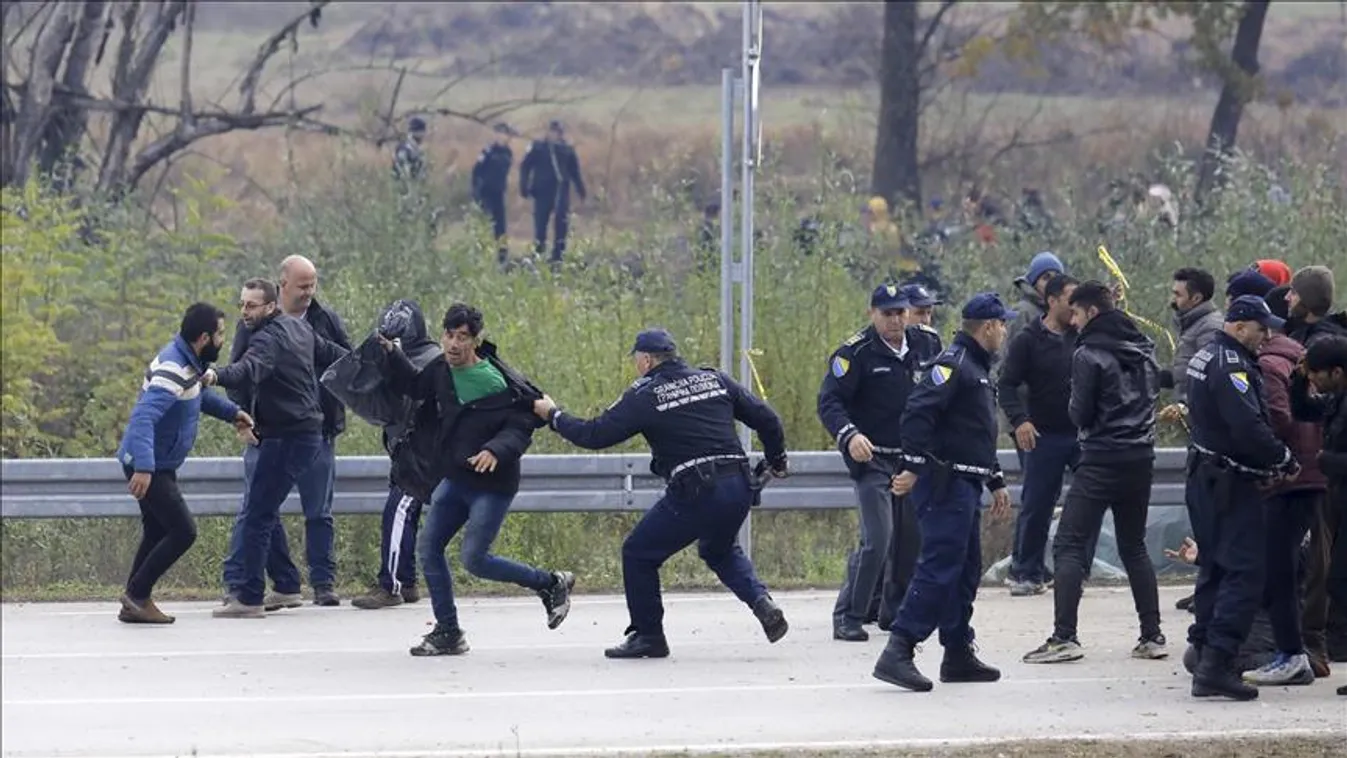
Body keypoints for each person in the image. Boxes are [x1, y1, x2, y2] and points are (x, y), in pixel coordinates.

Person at [532, 328, 790, 659]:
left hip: (697, 488)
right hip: (738, 484)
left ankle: (649, 636)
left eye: (637, 361)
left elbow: (593, 434)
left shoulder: (646, 394)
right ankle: (763, 604)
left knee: (638, 553)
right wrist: (777, 460)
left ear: (647, 360)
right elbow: (768, 419)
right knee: (720, 550)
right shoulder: (715, 380)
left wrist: (553, 415)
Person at [375, 303, 575, 655]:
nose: (453, 344)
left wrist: (497, 449)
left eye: (462, 338)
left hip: (492, 484)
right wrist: (391, 351)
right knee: (429, 548)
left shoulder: (494, 379)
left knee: (475, 560)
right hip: (456, 478)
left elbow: (524, 421)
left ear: (476, 341)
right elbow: (414, 386)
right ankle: (448, 631)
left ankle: (550, 582)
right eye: (449, 335)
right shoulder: (440, 368)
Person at [872, 293, 1015, 693]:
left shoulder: (979, 369)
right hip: (944, 484)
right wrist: (914, 468)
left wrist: (995, 479)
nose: (1006, 331)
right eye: (1003, 324)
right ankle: (898, 649)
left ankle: (957, 652)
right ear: (987, 327)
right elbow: (917, 414)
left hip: (967, 481)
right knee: (939, 567)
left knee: (966, 569)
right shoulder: (953, 366)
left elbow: (975, 433)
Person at [1021, 281, 1166, 663]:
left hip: (1101, 458)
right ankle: (1152, 635)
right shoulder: (1145, 349)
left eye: (1079, 313)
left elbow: (1080, 413)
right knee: (1133, 546)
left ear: (1093, 313)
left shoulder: (1088, 354)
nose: (1075, 320)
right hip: (1141, 458)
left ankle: (1064, 636)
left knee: (1068, 543)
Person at [206, 279, 347, 619]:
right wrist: (369, 360)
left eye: (252, 305)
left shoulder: (270, 337)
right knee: (262, 511)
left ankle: (249, 597)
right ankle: (283, 584)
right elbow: (336, 355)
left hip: (289, 436)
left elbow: (248, 368)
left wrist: (212, 375)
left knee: (257, 514)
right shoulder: (298, 330)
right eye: (242, 304)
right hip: (300, 433)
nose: (244, 311)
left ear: (271, 306)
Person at [1183, 295, 1299, 700]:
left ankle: (1202, 652)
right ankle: (1217, 660)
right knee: (1246, 571)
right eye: (1260, 328)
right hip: (1229, 481)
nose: (1266, 336)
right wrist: (1281, 456)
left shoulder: (1205, 355)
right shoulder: (1230, 364)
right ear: (1239, 325)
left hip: (1205, 475)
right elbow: (1246, 423)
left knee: (1214, 566)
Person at [114, 303, 254, 623]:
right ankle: (136, 596)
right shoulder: (173, 369)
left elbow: (198, 396)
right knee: (183, 531)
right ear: (204, 338)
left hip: (157, 461)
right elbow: (143, 418)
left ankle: (134, 599)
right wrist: (145, 469)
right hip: (151, 464)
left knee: (156, 531)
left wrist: (232, 413)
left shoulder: (191, 365)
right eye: (220, 334)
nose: (223, 340)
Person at [818, 284, 942, 642]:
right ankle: (849, 615)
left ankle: (895, 613)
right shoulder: (854, 353)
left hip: (911, 460)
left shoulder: (926, 344)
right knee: (878, 538)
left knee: (910, 542)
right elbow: (830, 403)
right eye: (886, 313)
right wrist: (850, 435)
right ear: (872, 313)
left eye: (900, 312)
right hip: (872, 458)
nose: (895, 320)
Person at [1241, 286, 1327, 686]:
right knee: (1289, 567)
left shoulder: (1268, 365)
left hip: (1289, 478)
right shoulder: (1295, 354)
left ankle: (1292, 654)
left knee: (1278, 569)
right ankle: (1297, 651)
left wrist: (1264, 454)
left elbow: (1278, 420)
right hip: (1310, 474)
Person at [347, 299, 444, 610]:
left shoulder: (430, 359)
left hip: (422, 455)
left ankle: (390, 585)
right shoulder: (401, 355)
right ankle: (408, 580)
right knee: (408, 514)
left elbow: (414, 398)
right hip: (406, 449)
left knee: (397, 512)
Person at [998, 274, 1080, 597]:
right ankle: (1026, 572)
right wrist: (1020, 421)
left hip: (1082, 434)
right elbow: (1005, 385)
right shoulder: (1029, 339)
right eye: (1070, 300)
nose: (1075, 307)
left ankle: (1073, 570)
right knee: (1037, 504)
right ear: (1053, 300)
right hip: (1044, 435)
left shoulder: (1083, 335)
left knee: (1088, 502)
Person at [1290, 334, 1347, 697]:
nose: (1315, 382)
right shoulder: (1339, 398)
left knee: (1340, 580)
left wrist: (1327, 461)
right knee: (1338, 582)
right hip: (1341, 500)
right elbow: (1306, 411)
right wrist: (1298, 381)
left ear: (1337, 372)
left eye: (1318, 375)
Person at [519, 120, 586, 263]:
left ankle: (558, 256)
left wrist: (581, 190)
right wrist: (524, 186)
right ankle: (539, 254)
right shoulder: (538, 147)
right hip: (542, 191)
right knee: (540, 225)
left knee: (561, 224)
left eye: (557, 132)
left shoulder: (567, 150)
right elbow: (525, 166)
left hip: (561, 191)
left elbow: (575, 172)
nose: (554, 135)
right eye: (552, 132)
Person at [1158, 267, 1222, 409]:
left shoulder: (1210, 328)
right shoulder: (1191, 323)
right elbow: (1186, 369)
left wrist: (1185, 406)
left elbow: (1209, 376)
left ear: (1196, 298)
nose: (1173, 299)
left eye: (1178, 295)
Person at [472, 123, 516, 265]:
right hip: (485, 193)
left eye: (505, 134)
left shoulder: (508, 153)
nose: (503, 137)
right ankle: (479, 257)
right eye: (500, 134)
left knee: (501, 228)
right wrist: (476, 192)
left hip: (499, 194)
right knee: (484, 226)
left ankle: (502, 259)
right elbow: (476, 172)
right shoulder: (488, 151)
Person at [1287, 265, 1347, 347]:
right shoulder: (1302, 331)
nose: (1287, 297)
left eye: (1293, 293)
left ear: (1308, 298)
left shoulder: (1322, 344)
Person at [392, 116, 428, 184]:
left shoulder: (417, 150)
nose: (424, 136)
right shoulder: (404, 150)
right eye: (422, 132)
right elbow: (405, 176)